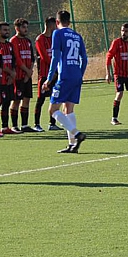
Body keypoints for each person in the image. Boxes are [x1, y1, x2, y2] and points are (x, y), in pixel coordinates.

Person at [42, 10, 88, 153]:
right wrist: (79, 75)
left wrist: (49, 79)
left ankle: (76, 134)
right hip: (76, 76)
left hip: (65, 76)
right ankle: (72, 145)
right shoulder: (77, 36)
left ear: (57, 22)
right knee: (68, 109)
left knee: (52, 110)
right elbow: (84, 59)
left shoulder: (57, 33)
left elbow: (55, 58)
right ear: (69, 21)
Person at [106, 23, 128, 125]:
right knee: (119, 93)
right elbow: (109, 57)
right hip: (119, 74)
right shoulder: (117, 42)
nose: (123, 33)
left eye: (126, 31)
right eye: (122, 31)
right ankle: (114, 118)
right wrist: (108, 73)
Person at [10, 18, 37, 132]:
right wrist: (26, 71)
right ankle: (14, 125)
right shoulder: (13, 41)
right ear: (17, 28)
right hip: (18, 76)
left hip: (27, 75)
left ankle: (25, 125)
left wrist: (29, 72)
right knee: (16, 100)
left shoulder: (27, 41)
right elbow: (17, 60)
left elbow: (31, 58)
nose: (26, 30)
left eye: (26, 27)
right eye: (23, 27)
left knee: (26, 99)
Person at [34, 16, 61, 131]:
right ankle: (36, 124)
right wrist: (53, 70)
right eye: (54, 25)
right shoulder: (40, 39)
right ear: (50, 25)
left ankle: (52, 123)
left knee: (54, 98)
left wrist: (57, 70)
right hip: (45, 75)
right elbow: (45, 57)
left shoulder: (54, 38)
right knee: (41, 99)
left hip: (55, 74)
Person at [0, 22, 17, 135]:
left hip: (9, 79)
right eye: (4, 30)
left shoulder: (10, 45)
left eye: (8, 30)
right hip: (0, 79)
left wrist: (12, 75)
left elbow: (13, 61)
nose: (7, 32)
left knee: (7, 102)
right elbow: (0, 63)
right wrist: (10, 73)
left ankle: (5, 126)